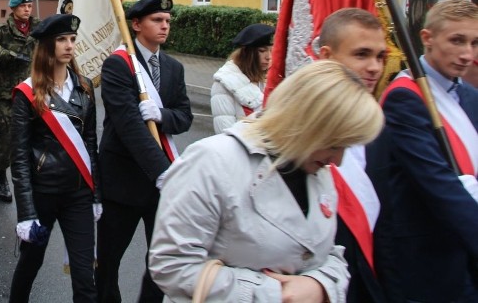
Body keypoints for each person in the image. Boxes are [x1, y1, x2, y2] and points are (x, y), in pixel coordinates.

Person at [148, 60, 383, 302]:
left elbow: (329, 253)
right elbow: (171, 265)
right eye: (335, 144)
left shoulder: (316, 170)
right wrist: (275, 295)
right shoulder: (212, 161)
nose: (339, 160)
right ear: (307, 124)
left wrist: (319, 285)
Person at [368, 0, 478, 302]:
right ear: (427, 38)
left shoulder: (469, 96)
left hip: (462, 251)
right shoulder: (405, 99)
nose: (467, 54)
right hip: (425, 260)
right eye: (457, 40)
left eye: (475, 42)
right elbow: (438, 183)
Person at [96, 0, 193, 303]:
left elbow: (185, 116)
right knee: (108, 263)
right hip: (122, 182)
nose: (164, 26)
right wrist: (164, 172)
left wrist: (162, 115)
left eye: (167, 21)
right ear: (136, 24)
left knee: (161, 262)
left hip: (158, 189)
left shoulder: (173, 67)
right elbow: (128, 127)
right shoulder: (118, 64)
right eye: (157, 20)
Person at [9, 14, 101, 302]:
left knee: (86, 276)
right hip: (43, 195)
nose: (69, 45)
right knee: (30, 265)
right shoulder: (27, 93)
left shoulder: (85, 87)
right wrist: (26, 214)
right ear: (47, 45)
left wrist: (96, 193)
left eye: (72, 39)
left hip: (78, 195)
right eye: (62, 39)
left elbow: (90, 144)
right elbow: (20, 157)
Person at [317, 7, 389, 303]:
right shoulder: (298, 129)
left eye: (380, 56)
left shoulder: (382, 128)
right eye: (361, 55)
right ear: (326, 56)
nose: (374, 67)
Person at [0, 0, 40, 203]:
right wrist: (9, 56)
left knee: (34, 137)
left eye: (29, 6)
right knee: (6, 137)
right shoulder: (2, 30)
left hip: (32, 92)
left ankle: (30, 180)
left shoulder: (38, 27)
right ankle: (2, 177)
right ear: (13, 8)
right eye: (23, 6)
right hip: (7, 94)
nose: (27, 9)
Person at [210, 23, 274, 133]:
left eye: (271, 51)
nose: (269, 57)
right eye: (262, 51)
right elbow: (225, 132)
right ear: (248, 54)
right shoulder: (223, 84)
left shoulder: (264, 79)